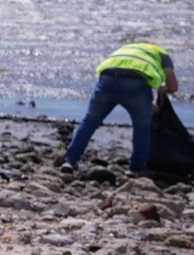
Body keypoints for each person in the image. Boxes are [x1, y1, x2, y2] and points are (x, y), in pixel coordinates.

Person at [60, 42, 178, 177]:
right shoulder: (161, 53)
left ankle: (69, 161)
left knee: (90, 121)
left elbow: (121, 84)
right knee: (141, 127)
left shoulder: (126, 49)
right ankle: (135, 168)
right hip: (136, 84)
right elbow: (173, 87)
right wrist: (164, 90)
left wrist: (148, 105)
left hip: (108, 79)